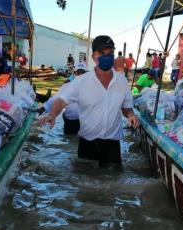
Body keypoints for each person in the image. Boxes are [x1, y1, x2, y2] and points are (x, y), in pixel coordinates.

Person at [40, 35, 139, 168]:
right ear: (93, 57)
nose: (107, 56)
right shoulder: (81, 82)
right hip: (87, 144)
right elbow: (61, 101)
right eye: (102, 53)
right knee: (85, 184)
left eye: (110, 53)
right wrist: (52, 114)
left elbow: (126, 107)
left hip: (112, 147)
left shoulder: (121, 81)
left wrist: (131, 115)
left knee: (114, 183)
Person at [36, 63, 88, 135]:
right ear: (74, 74)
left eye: (83, 73)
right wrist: (43, 108)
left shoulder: (92, 87)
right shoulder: (67, 86)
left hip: (85, 121)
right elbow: (56, 98)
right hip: (71, 120)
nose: (81, 75)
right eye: (79, 72)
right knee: (69, 140)